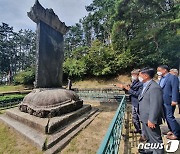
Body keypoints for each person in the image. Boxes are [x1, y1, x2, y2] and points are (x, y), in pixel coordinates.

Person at [138, 67, 164, 154]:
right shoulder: (146, 85)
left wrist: (152, 120)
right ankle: (150, 150)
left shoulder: (154, 87)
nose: (139, 76)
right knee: (149, 137)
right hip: (145, 117)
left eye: (140, 75)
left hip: (150, 119)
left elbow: (156, 105)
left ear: (145, 76)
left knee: (156, 139)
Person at [116, 69, 146, 142]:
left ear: (138, 75)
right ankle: (138, 129)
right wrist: (124, 88)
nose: (132, 76)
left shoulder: (142, 83)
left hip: (139, 103)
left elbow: (139, 94)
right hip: (134, 102)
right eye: (132, 75)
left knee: (141, 119)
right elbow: (130, 91)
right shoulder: (134, 82)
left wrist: (128, 89)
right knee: (134, 117)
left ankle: (144, 135)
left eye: (134, 75)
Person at [157, 65, 180, 140]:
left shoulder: (172, 77)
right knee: (166, 117)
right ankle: (172, 130)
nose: (158, 72)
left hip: (169, 101)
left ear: (165, 70)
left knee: (170, 117)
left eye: (159, 70)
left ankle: (177, 133)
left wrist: (174, 100)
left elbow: (175, 89)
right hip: (163, 100)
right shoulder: (162, 78)